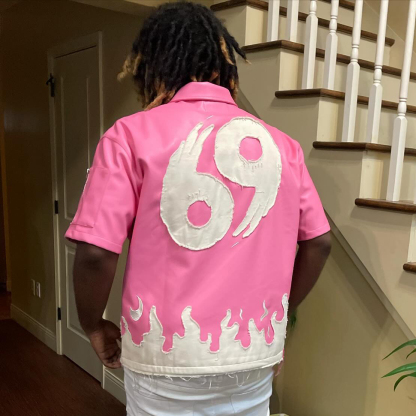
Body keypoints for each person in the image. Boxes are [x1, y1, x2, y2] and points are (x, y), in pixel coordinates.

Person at [66, 2, 331, 415]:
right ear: (223, 67)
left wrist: (92, 324)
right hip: (251, 351)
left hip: (165, 353)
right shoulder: (283, 147)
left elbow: (96, 253)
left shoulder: (130, 136)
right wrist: (277, 318)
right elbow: (320, 242)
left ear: (154, 68)